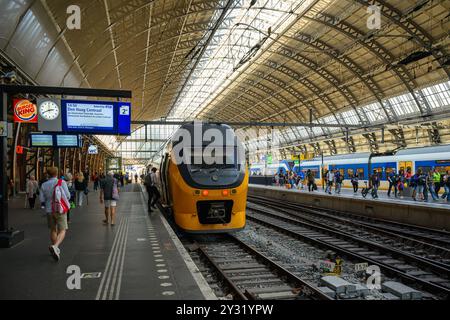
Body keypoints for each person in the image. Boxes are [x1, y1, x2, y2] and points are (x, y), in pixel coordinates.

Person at [39, 167, 71, 261]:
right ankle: (55, 246)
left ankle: (56, 249)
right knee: (63, 230)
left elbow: (42, 199)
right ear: (57, 173)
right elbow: (68, 195)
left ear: (48, 174)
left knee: (53, 230)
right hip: (60, 209)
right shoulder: (62, 182)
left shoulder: (44, 185)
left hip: (49, 210)